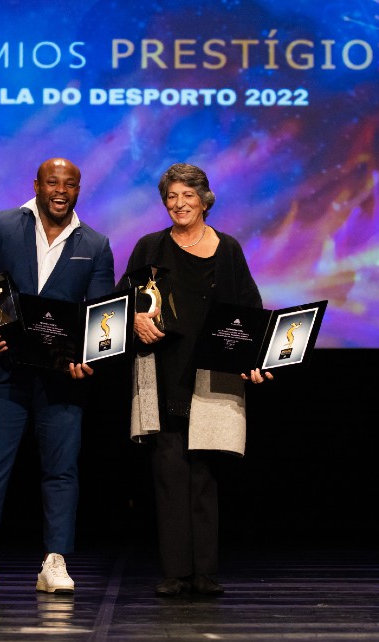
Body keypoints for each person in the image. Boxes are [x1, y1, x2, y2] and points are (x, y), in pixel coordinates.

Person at [0, 157, 115, 595]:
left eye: (70, 184)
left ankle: (55, 561)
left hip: (61, 376)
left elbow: (102, 313)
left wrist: (91, 356)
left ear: (79, 189)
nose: (60, 190)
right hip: (1, 367)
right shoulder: (2, 224)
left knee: (61, 470)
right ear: (38, 185)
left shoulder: (96, 244)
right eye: (52, 182)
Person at [117, 162, 271, 597]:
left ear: (205, 199)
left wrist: (256, 357)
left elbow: (250, 310)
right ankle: (175, 572)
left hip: (212, 376)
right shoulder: (149, 248)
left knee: (204, 475)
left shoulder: (228, 249)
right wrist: (135, 321)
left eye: (188, 195)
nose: (179, 204)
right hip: (162, 374)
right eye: (171, 197)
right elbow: (120, 303)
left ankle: (204, 572)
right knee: (169, 472)